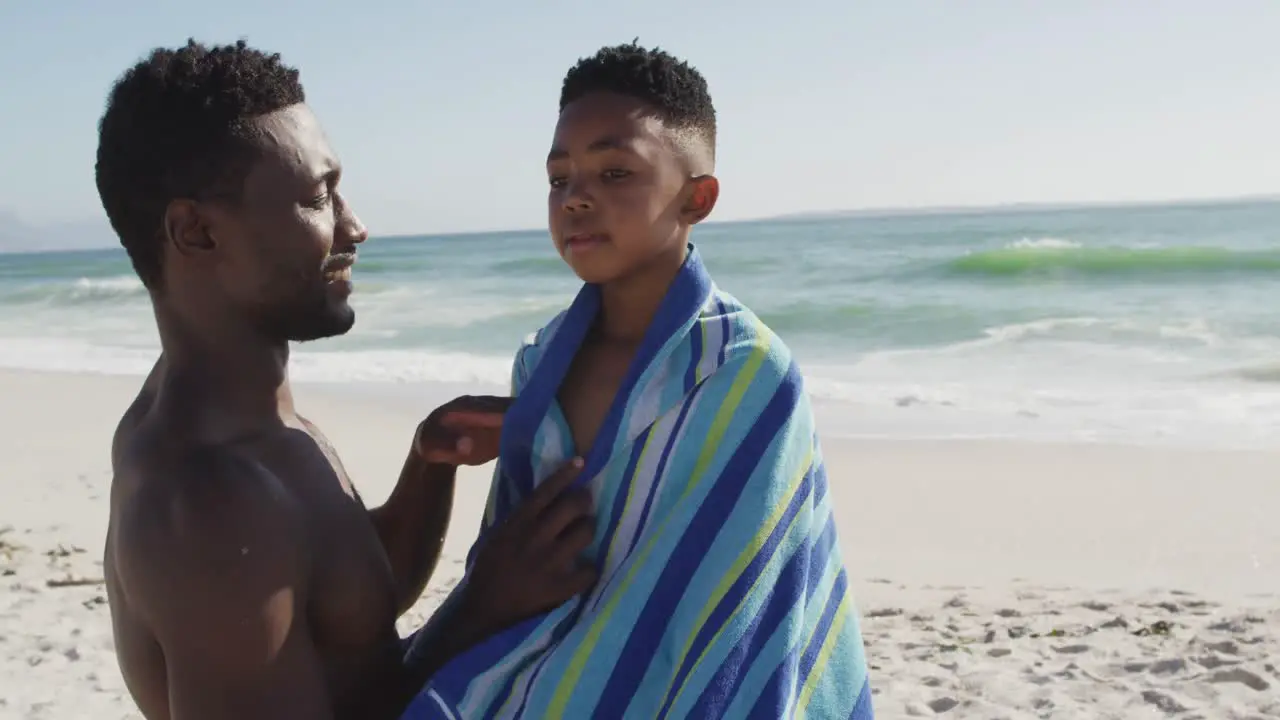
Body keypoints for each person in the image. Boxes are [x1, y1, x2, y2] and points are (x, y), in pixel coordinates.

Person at [96, 39, 596, 720]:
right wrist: (483, 604)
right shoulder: (206, 500)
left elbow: (346, 607)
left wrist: (429, 468)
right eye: (316, 198)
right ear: (197, 232)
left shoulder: (251, 418)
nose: (355, 226)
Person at [398, 43, 874, 719]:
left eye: (614, 171)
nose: (577, 198)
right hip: (541, 680)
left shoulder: (746, 373)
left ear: (697, 198)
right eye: (559, 179)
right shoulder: (539, 364)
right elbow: (515, 569)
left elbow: (754, 605)